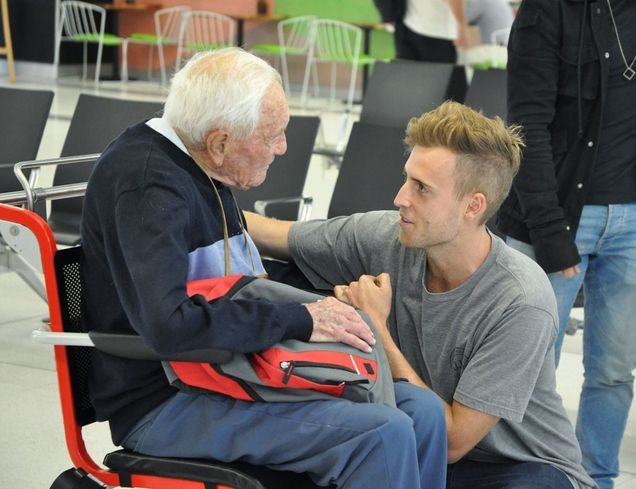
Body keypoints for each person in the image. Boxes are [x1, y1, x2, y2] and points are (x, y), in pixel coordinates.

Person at [79, 47, 447, 489]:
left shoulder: (197, 161)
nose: (283, 147)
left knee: (423, 414)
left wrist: (334, 297)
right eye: (272, 134)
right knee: (381, 434)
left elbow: (240, 281)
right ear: (220, 142)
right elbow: (169, 326)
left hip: (229, 371)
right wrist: (300, 317)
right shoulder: (148, 188)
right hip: (166, 400)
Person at [247, 101, 597, 489]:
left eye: (422, 188)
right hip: (424, 447)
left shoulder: (520, 301)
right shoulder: (387, 236)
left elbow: (451, 443)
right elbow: (272, 234)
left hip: (523, 469)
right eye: (406, 178)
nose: (400, 197)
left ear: (473, 206)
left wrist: (375, 327)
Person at [501, 1, 636, 487]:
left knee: (613, 372)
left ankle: (596, 480)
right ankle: (526, 476)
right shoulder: (546, 11)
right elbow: (526, 126)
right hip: (559, 216)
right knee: (528, 368)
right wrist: (549, 228)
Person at [395, 0, 468, 62]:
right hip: (437, 31)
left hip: (408, 25)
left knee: (408, 76)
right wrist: (461, 25)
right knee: (440, 77)